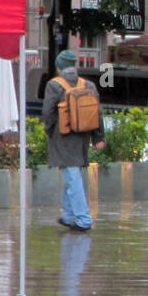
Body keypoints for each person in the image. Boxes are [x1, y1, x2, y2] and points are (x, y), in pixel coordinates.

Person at [42, 49, 105, 231]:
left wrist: (50, 131)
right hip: (83, 136)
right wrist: (98, 137)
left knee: (72, 176)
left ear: (59, 66)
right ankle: (69, 216)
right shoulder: (89, 85)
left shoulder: (54, 85)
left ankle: (83, 219)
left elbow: (48, 113)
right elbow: (97, 113)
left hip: (63, 136)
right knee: (72, 174)